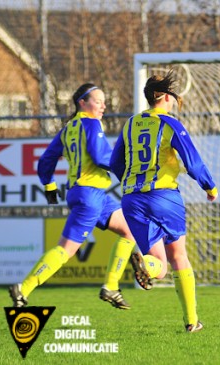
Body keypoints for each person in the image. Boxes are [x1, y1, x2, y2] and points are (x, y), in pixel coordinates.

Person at [8, 83, 144, 310]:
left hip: (92, 194)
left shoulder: (68, 128)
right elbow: (101, 157)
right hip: (89, 195)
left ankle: (111, 286)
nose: (103, 106)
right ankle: (23, 288)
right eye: (98, 101)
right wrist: (128, 168)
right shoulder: (91, 123)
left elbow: (45, 163)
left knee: (130, 230)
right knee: (66, 250)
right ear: (83, 102)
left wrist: (50, 188)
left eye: (103, 101)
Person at [110, 71, 218, 333]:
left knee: (159, 266)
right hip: (164, 198)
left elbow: (115, 163)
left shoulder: (132, 123)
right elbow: (192, 163)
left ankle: (145, 263)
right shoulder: (171, 124)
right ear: (167, 97)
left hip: (132, 200)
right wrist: (210, 186)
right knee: (178, 255)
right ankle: (192, 321)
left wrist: (133, 179)